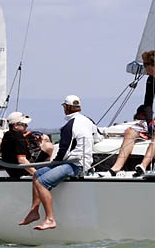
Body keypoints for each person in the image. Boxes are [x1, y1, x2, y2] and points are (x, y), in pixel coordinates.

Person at [19, 94, 97, 231]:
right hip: (82, 161)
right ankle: (34, 211)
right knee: (37, 174)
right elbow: (98, 137)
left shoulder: (69, 126)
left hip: (75, 165)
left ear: (66, 107)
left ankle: (50, 219)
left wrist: (53, 163)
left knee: (42, 182)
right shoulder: (88, 121)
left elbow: (63, 151)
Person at [0, 111, 35, 179]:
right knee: (47, 147)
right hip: (20, 171)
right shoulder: (18, 138)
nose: (27, 126)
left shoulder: (7, 135)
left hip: (11, 169)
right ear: (15, 125)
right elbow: (22, 160)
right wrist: (36, 174)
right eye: (24, 124)